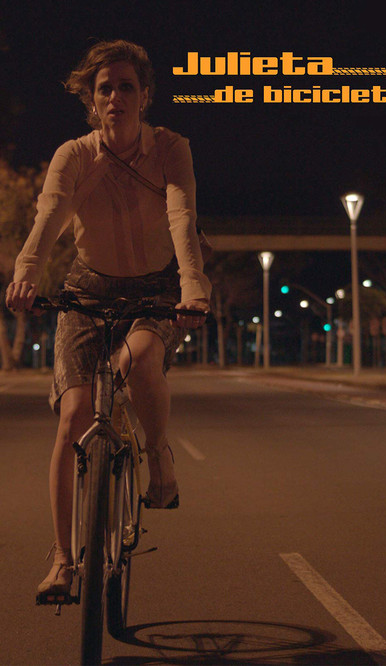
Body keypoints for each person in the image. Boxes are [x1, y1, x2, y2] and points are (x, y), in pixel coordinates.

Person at [5, 39, 211, 597]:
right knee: (73, 416)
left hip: (156, 288)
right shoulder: (75, 155)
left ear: (144, 95)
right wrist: (26, 273)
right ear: (91, 101)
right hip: (88, 289)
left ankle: (158, 455)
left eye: (126, 87)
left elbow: (181, 216)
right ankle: (64, 560)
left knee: (141, 361)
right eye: (104, 89)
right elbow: (50, 215)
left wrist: (192, 289)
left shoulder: (170, 148)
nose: (115, 97)